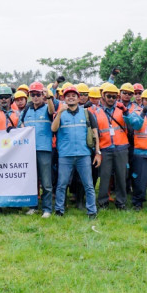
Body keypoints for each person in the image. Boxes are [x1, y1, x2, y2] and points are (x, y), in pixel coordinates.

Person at [50, 85, 100, 218]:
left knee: (88, 184)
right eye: (67, 96)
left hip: (84, 155)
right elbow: (54, 129)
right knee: (61, 184)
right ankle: (59, 210)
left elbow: (95, 132)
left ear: (78, 98)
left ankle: (92, 211)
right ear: (64, 99)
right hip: (65, 155)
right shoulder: (60, 114)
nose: (70, 98)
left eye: (73, 95)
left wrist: (98, 152)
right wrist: (60, 112)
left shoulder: (86, 113)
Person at [20, 82, 56, 217]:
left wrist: (49, 98)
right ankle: (33, 206)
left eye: (38, 94)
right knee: (32, 180)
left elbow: (52, 112)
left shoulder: (47, 108)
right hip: (29, 150)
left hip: (44, 149)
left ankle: (47, 209)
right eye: (33, 94)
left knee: (46, 182)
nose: (35, 97)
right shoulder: (26, 110)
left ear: (42, 95)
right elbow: (21, 125)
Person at [95, 83, 130, 211]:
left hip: (121, 147)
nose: (111, 99)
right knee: (104, 177)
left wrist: (126, 112)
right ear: (103, 96)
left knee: (121, 176)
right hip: (105, 148)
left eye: (114, 97)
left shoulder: (122, 110)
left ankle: (121, 202)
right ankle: (103, 202)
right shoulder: (96, 112)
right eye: (108, 96)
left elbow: (134, 124)